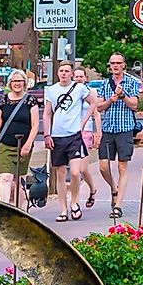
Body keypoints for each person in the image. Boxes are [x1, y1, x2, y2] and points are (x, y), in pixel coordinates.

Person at [45, 59, 98, 221]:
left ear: (72, 74)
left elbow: (93, 102)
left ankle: (74, 202)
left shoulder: (79, 88)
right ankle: (63, 209)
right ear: (57, 73)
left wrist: (84, 121)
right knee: (60, 173)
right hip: (57, 135)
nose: (64, 74)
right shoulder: (51, 90)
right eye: (61, 71)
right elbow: (47, 113)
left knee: (75, 172)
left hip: (74, 134)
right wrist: (47, 134)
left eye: (67, 71)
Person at [93, 53, 143, 221]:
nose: (115, 66)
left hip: (124, 128)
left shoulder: (131, 83)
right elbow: (99, 107)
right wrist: (111, 100)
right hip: (108, 129)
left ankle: (118, 205)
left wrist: (123, 97)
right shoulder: (105, 84)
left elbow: (135, 105)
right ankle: (114, 188)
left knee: (122, 166)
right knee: (103, 166)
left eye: (118, 63)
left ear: (124, 65)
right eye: (113, 63)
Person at [0, 70, 40, 209]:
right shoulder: (4, 99)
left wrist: (28, 144)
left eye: (20, 81)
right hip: (5, 144)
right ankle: (5, 209)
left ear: (24, 83)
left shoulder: (30, 100)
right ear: (10, 83)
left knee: (20, 179)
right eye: (14, 81)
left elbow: (35, 124)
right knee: (5, 177)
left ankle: (19, 210)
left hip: (23, 144)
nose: (17, 84)